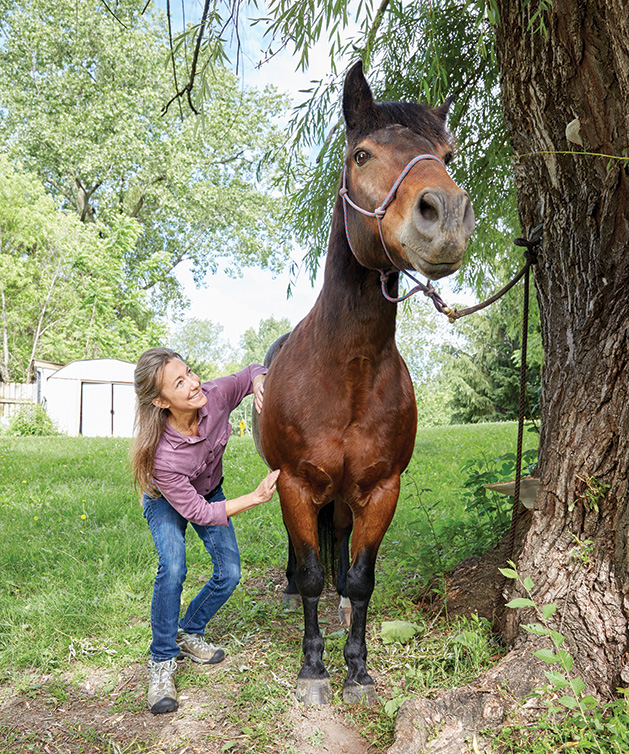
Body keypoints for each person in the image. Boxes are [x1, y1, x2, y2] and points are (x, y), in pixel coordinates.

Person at [132, 347, 279, 715]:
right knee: (174, 567)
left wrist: (260, 382)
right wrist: (256, 497)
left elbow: (249, 372)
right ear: (160, 401)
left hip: (209, 488)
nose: (194, 383)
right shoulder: (164, 454)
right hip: (166, 499)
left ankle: (188, 630)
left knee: (229, 574)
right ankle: (162, 662)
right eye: (179, 383)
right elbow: (197, 511)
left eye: (190, 372)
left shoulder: (214, 396)